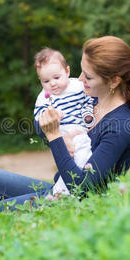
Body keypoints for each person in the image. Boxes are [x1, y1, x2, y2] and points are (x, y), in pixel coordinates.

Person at [0, 35, 130, 210]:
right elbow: (49, 128)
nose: (79, 79)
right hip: (59, 187)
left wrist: (54, 138)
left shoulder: (121, 127)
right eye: (82, 71)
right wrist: (56, 135)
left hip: (69, 202)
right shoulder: (91, 101)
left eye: (88, 76)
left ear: (113, 81)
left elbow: (83, 188)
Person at [33, 47, 95, 196]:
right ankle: (62, 191)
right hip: (59, 132)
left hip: (78, 129)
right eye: (46, 81)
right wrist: (50, 114)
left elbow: (88, 100)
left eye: (56, 78)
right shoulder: (44, 96)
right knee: (67, 161)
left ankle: (62, 191)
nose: (52, 84)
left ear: (67, 72)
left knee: (82, 152)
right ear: (40, 81)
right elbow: (38, 117)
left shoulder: (78, 86)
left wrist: (87, 114)